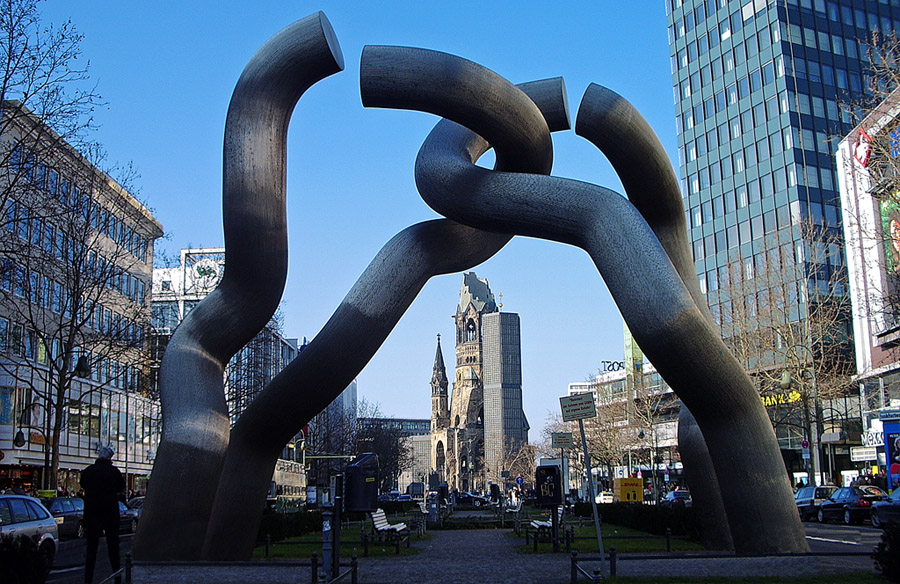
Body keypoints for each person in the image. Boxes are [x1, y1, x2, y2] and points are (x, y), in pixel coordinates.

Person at [80, 445, 125, 584]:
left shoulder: (89, 472)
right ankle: (117, 578)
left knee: (91, 550)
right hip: (110, 512)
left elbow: (83, 484)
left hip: (92, 512)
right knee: (113, 550)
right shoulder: (114, 472)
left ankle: (88, 579)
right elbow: (120, 487)